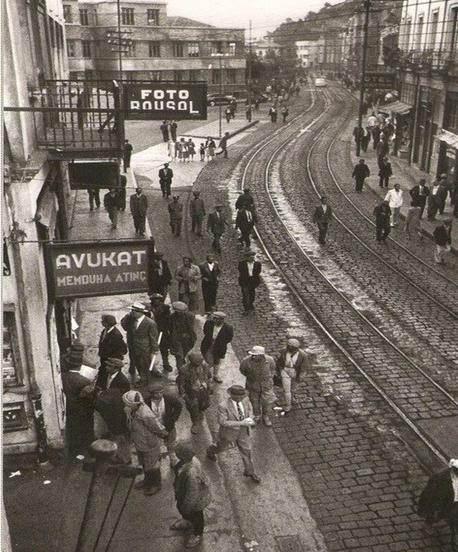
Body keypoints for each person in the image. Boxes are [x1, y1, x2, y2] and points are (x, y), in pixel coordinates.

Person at [206, 385, 260, 483]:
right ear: (231, 395)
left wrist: (251, 417)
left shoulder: (246, 399)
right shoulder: (223, 406)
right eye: (238, 397)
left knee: (246, 452)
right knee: (221, 448)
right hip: (229, 433)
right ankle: (211, 451)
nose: (240, 399)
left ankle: (250, 471)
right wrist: (241, 423)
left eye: (242, 396)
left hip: (243, 432)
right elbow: (223, 422)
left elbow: (249, 409)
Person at [122, 390, 167, 495]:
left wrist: (164, 434)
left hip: (149, 444)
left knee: (152, 465)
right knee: (144, 464)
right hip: (140, 442)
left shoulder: (145, 413)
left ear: (134, 404)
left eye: (127, 404)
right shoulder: (132, 410)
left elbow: (156, 427)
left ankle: (155, 484)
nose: (125, 405)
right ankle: (147, 481)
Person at [171, 442, 212, 549]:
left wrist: (186, 507)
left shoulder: (191, 473)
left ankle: (197, 534)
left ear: (183, 456)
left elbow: (192, 493)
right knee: (187, 513)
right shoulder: (189, 462)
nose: (176, 455)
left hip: (195, 502)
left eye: (177, 454)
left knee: (196, 517)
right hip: (185, 495)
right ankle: (187, 520)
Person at [61, 342, 95, 460]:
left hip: (68, 407)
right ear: (80, 365)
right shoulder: (84, 381)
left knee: (72, 429)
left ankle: (74, 451)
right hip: (82, 409)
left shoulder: (62, 377)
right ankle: (86, 449)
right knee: (84, 429)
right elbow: (90, 397)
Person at [94, 357, 131, 464]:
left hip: (118, 412)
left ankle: (124, 458)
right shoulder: (107, 375)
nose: (106, 367)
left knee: (119, 435)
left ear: (116, 369)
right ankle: (116, 455)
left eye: (109, 366)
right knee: (114, 434)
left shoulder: (123, 381)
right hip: (109, 410)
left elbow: (122, 399)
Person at [417, 458, 458, 552]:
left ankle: (453, 538)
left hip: (453, 502)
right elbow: (431, 494)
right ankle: (428, 524)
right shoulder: (440, 477)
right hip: (441, 501)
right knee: (435, 515)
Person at [121, 302, 159, 386]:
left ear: (141, 312)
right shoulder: (130, 319)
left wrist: (154, 350)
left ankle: (145, 381)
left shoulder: (150, 323)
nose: (132, 313)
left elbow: (153, 338)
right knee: (138, 364)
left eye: (135, 311)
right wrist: (127, 317)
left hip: (144, 348)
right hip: (133, 346)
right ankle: (143, 378)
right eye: (132, 311)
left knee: (144, 365)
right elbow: (124, 326)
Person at [145, 382, 183, 467]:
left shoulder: (169, 399)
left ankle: (173, 460)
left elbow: (179, 406)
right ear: (151, 394)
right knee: (155, 446)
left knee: (171, 444)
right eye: (156, 393)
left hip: (168, 426)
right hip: (154, 428)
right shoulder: (146, 402)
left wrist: (173, 419)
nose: (159, 395)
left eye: (161, 392)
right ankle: (156, 461)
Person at [239, 345, 276, 426]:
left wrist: (268, 378)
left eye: (255, 355)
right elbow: (242, 370)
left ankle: (265, 416)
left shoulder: (269, 360)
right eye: (252, 355)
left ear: (261, 355)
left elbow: (273, 369)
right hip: (252, 386)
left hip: (266, 386)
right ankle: (257, 416)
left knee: (267, 402)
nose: (253, 357)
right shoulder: (246, 361)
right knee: (254, 402)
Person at [180, 353, 212, 434]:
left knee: (206, 404)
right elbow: (181, 384)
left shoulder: (205, 366)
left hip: (203, 390)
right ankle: (195, 422)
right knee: (193, 408)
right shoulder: (184, 370)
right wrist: (184, 396)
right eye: (196, 363)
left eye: (200, 362)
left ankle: (200, 411)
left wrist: (209, 386)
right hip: (192, 392)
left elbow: (208, 376)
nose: (198, 364)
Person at [275, 338, 309, 413]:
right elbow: (278, 362)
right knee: (287, 390)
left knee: (293, 389)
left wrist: (301, 376)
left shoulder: (303, 355)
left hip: (295, 372)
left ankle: (292, 398)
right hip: (285, 371)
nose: (290, 349)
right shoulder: (283, 351)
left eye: (292, 347)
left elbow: (304, 367)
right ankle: (288, 405)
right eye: (289, 346)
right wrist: (279, 372)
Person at [200, 311, 233, 384]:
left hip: (219, 348)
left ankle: (216, 375)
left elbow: (229, 338)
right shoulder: (208, 323)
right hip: (208, 345)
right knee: (209, 361)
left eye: (217, 319)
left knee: (217, 361)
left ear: (222, 320)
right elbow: (205, 331)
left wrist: (220, 343)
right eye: (214, 318)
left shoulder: (228, 328)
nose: (214, 320)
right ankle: (207, 375)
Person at [97, 314, 127, 389]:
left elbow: (123, 349)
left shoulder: (116, 335)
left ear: (107, 323)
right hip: (105, 359)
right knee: (103, 374)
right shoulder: (105, 330)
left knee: (110, 377)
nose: (101, 322)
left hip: (111, 361)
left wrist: (113, 359)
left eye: (103, 321)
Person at [169, 301, 196, 374]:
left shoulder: (190, 316)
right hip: (177, 339)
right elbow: (171, 329)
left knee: (185, 353)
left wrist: (188, 335)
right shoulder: (172, 317)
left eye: (181, 311)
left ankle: (183, 362)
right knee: (179, 355)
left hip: (187, 339)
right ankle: (181, 371)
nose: (179, 313)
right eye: (178, 311)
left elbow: (191, 328)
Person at [149, 293, 172, 373]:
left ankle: (166, 363)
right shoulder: (149, 308)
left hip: (162, 331)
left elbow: (168, 320)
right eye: (154, 299)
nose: (156, 301)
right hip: (151, 331)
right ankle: (151, 366)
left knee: (164, 348)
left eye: (158, 299)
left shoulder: (165, 308)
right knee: (151, 349)